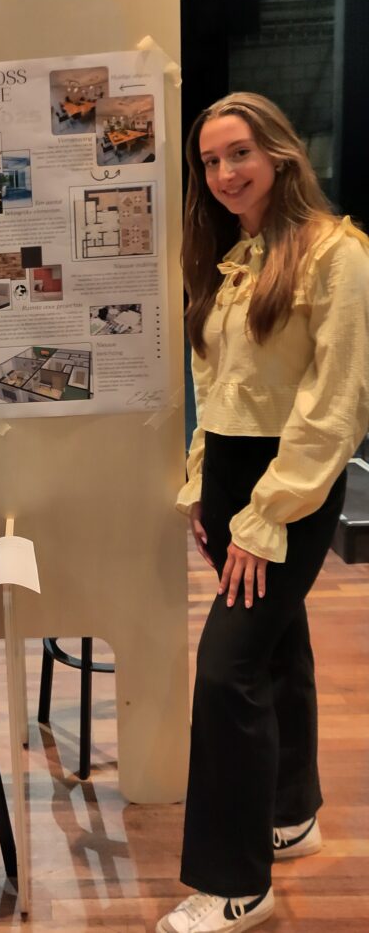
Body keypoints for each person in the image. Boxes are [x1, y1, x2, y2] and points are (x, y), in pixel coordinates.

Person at [158, 93, 369, 933]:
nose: (224, 173)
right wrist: (201, 484)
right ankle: (291, 810)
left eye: (238, 153)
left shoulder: (336, 252)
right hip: (233, 475)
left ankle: (235, 882)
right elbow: (216, 388)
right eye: (210, 161)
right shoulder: (237, 258)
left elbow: (335, 401)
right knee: (277, 643)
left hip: (291, 483)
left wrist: (266, 512)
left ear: (279, 151)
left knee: (226, 669)